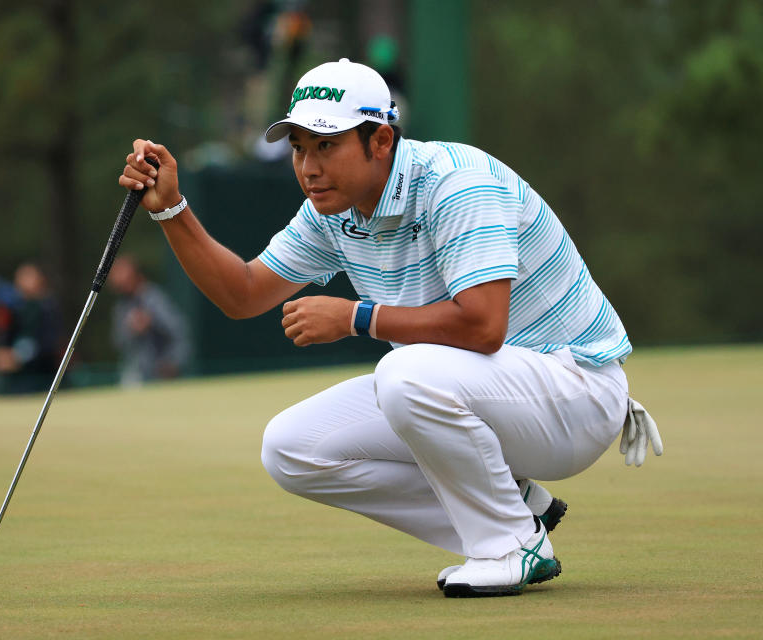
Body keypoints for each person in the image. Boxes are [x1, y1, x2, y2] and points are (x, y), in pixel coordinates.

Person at [119, 58, 662, 598]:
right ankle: (512, 510)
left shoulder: (457, 185)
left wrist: (356, 317)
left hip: (574, 393)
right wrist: (173, 211)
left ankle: (511, 543)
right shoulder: (331, 210)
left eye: (326, 146)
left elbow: (484, 326)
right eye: (299, 148)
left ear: (380, 140)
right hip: (486, 397)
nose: (308, 167)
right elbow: (242, 293)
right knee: (290, 448)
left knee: (402, 371)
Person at [107, 255, 191, 385]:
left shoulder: (154, 299)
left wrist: (152, 323)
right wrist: (131, 330)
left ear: (135, 275)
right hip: (136, 374)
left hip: (163, 372)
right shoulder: (122, 306)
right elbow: (118, 341)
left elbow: (179, 330)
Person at [0, 262, 62, 394]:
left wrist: (18, 357)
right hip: (13, 381)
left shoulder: (48, 307)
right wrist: (0, 355)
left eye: (29, 277)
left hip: (43, 378)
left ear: (40, 280)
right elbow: (2, 338)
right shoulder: (10, 307)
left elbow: (50, 343)